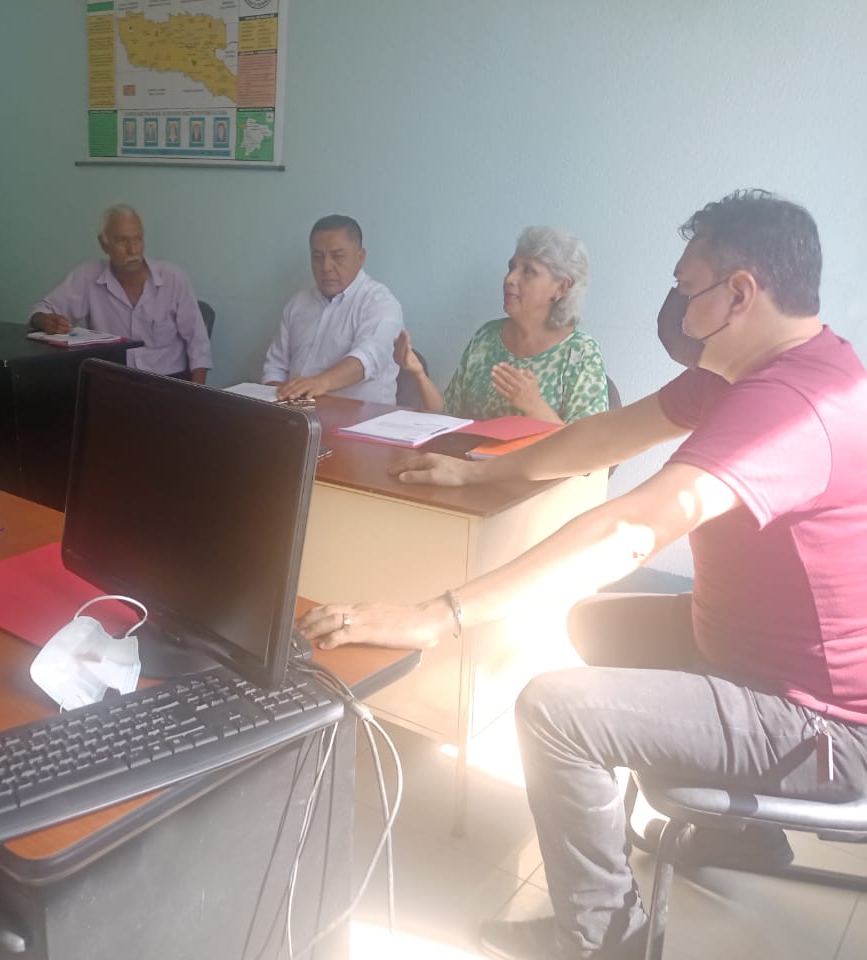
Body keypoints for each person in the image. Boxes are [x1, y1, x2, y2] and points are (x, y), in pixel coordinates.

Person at [297, 191, 867, 960]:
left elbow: (633, 527)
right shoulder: (743, 371)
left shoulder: (795, 404)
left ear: (740, 294)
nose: (675, 306)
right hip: (750, 652)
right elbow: (606, 436)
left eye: (685, 288)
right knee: (592, 623)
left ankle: (605, 939)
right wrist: (477, 475)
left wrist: (437, 614)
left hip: (817, 720)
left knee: (554, 709)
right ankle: (742, 833)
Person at [395, 226, 608, 424]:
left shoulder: (580, 353)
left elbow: (588, 448)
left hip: (534, 457)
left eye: (529, 271)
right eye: (511, 267)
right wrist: (418, 373)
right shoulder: (486, 337)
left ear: (560, 288)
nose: (509, 278)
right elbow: (448, 415)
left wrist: (535, 406)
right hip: (469, 455)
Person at [30, 204, 213, 383]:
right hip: (112, 382)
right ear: (104, 244)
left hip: (167, 382)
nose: (132, 250)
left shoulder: (173, 278)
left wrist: (195, 395)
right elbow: (42, 310)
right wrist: (44, 320)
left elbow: (199, 345)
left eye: (137, 239)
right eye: (122, 241)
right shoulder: (87, 277)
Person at [262, 214, 404, 402]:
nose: (326, 267)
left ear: (360, 257)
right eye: (317, 257)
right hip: (296, 413)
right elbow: (275, 368)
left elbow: (367, 359)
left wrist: (319, 383)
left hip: (359, 416)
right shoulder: (298, 303)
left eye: (337, 256)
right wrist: (277, 404)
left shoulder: (381, 303)